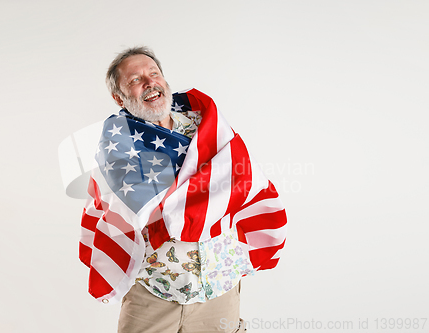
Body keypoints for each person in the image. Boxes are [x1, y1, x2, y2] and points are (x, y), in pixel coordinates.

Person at [79, 46, 287, 333]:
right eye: (135, 80)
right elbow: (120, 212)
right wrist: (196, 200)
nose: (149, 82)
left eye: (154, 74)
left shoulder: (210, 127)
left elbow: (244, 183)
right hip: (154, 291)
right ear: (120, 97)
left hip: (219, 286)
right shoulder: (117, 145)